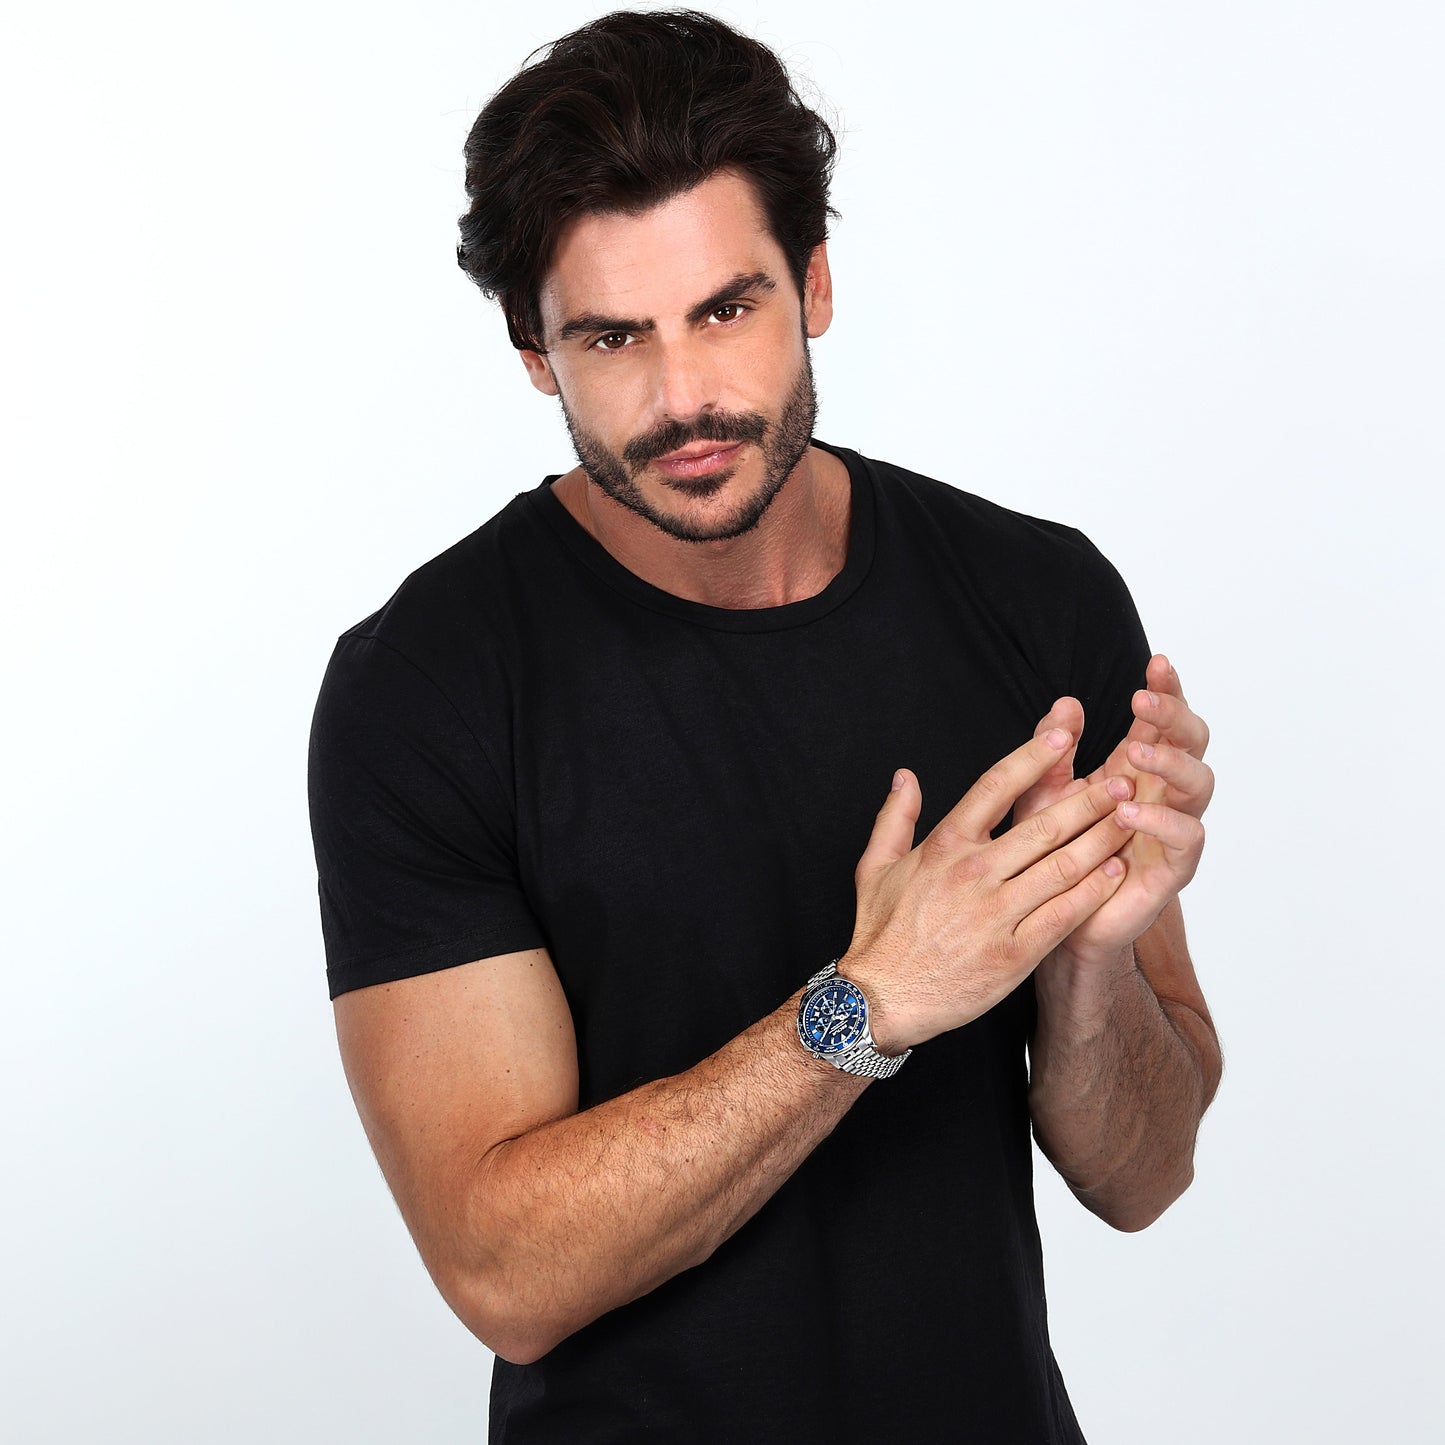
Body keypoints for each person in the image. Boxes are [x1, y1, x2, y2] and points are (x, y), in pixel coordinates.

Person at [308, 11, 1221, 1442]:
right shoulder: (427, 687)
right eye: (613, 337)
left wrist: (1087, 959)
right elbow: (503, 1271)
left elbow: (1145, 1175)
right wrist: (867, 1004)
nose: (683, 398)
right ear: (535, 351)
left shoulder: (1035, 601)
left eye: (726, 311)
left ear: (815, 284)